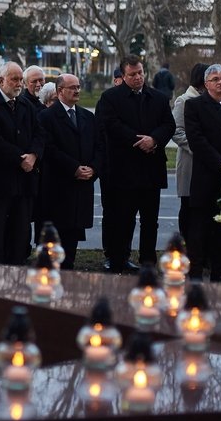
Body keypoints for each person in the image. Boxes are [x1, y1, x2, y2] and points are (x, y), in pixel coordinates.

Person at [95, 56, 175, 271]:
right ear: (123, 76)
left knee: (151, 220)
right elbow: (110, 125)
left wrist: (154, 139)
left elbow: (169, 124)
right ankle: (119, 259)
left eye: (140, 72)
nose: (138, 77)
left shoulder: (157, 98)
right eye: (132, 74)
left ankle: (148, 260)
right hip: (123, 169)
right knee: (123, 218)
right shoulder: (110, 98)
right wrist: (139, 141)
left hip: (151, 168)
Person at [0, 62, 43, 265]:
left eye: (21, 79)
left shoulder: (25, 105)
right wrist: (21, 159)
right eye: (14, 79)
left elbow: (39, 133)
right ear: (1, 80)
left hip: (24, 180)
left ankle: (17, 269)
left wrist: (34, 155)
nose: (19, 83)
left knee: (21, 230)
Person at [37, 74, 101, 269]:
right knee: (54, 239)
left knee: (72, 236)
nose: (77, 91)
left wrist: (93, 169)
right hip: (58, 187)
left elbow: (99, 146)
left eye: (78, 87)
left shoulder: (87, 116)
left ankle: (68, 270)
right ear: (60, 91)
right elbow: (48, 148)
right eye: (72, 87)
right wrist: (73, 168)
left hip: (81, 188)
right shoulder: (46, 116)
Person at [184, 64, 221, 282]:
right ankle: (195, 273)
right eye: (215, 78)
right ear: (206, 83)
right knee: (199, 231)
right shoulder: (194, 106)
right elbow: (197, 141)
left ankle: (220, 272)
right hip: (205, 178)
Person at [171, 64, 208, 242]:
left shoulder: (208, 100)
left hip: (206, 161)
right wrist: (198, 148)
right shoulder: (184, 100)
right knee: (188, 205)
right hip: (190, 160)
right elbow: (177, 131)